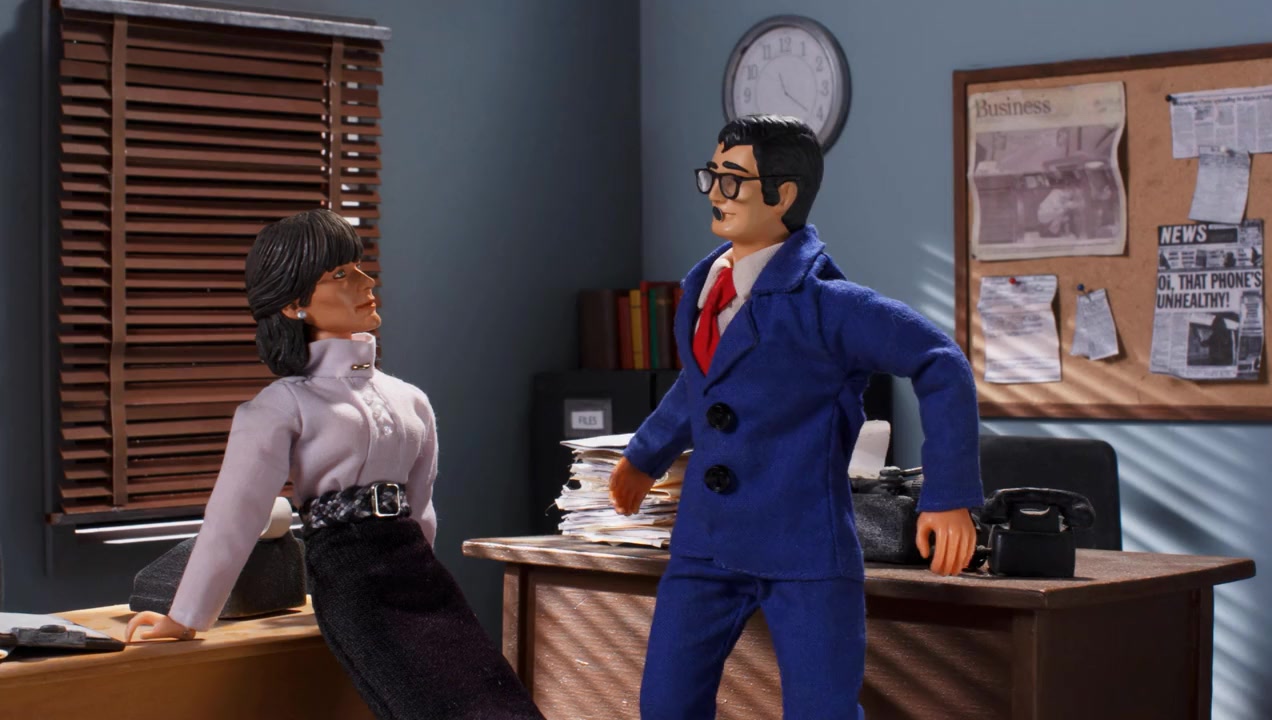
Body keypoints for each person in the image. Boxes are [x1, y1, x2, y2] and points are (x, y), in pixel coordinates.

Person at [609, 115, 983, 719]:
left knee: (821, 710)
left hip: (804, 545)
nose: (715, 193)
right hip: (706, 541)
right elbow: (701, 386)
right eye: (712, 175)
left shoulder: (827, 306)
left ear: (783, 194)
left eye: (733, 180)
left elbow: (939, 362)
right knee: (666, 704)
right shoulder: (706, 290)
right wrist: (644, 455)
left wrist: (949, 495)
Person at [125, 209, 544, 720]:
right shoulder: (283, 405)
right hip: (354, 582)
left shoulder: (410, 400)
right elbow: (236, 515)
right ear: (294, 304)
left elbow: (422, 511)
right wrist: (186, 616)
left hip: (423, 579)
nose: (366, 282)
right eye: (341, 274)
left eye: (360, 267)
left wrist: (426, 574)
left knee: (499, 704)